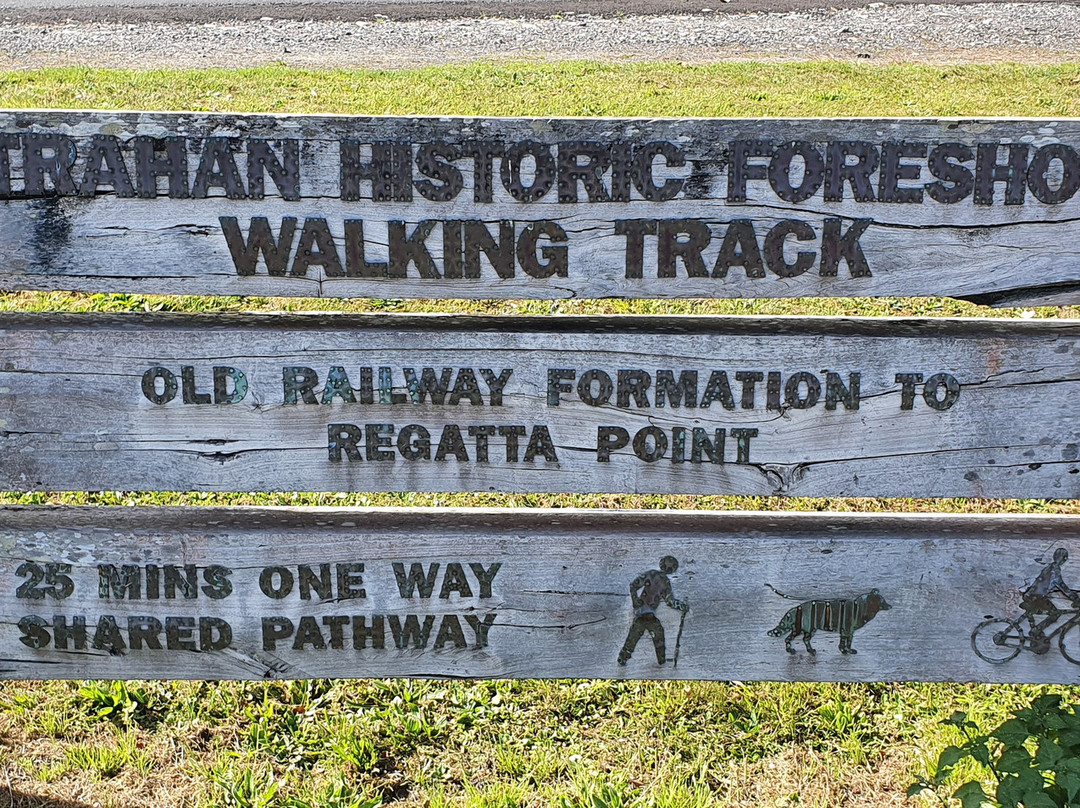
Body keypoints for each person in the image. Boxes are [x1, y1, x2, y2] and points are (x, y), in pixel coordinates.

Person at [617, 555, 688, 666]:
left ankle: (624, 656)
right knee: (654, 632)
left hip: (644, 612)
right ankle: (661, 660)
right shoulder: (664, 581)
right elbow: (670, 601)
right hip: (646, 612)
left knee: (636, 633)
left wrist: (635, 600)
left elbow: (634, 585)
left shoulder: (653, 575)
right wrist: (682, 606)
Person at [1021, 548, 1080, 639]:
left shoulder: (1050, 567)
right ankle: (1036, 630)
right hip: (1037, 597)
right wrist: (1074, 597)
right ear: (1065, 559)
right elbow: (1061, 585)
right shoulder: (1054, 569)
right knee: (1055, 613)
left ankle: (1037, 631)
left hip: (1034, 596)